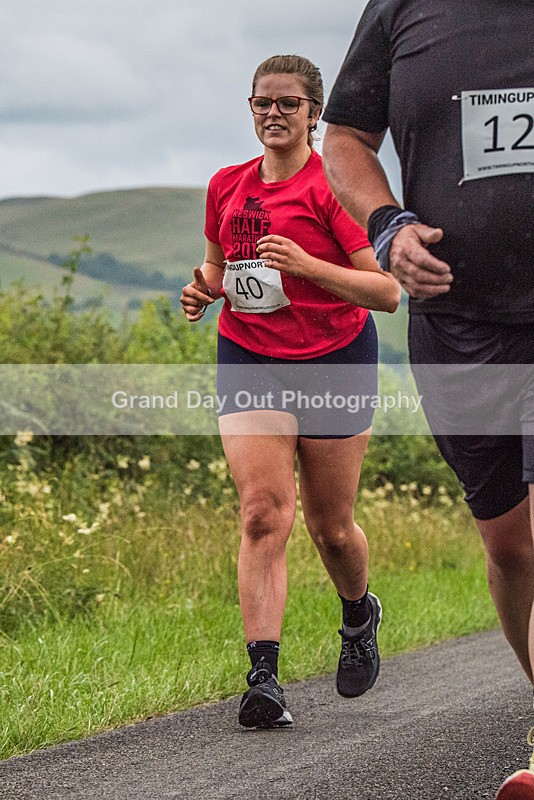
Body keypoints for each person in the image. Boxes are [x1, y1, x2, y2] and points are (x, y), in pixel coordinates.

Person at [321, 2, 534, 796]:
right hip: (458, 329)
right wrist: (389, 225)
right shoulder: (403, 9)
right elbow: (346, 137)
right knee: (511, 547)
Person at [180, 54, 400, 729]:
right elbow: (219, 266)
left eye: (289, 103)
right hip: (251, 358)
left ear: (313, 113)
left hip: (335, 359)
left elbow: (387, 291)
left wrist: (308, 265)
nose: (273, 113)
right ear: (250, 109)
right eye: (262, 102)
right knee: (262, 513)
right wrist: (203, 290)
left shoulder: (332, 188)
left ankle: (358, 613)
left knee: (330, 529)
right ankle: (264, 679)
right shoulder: (226, 185)